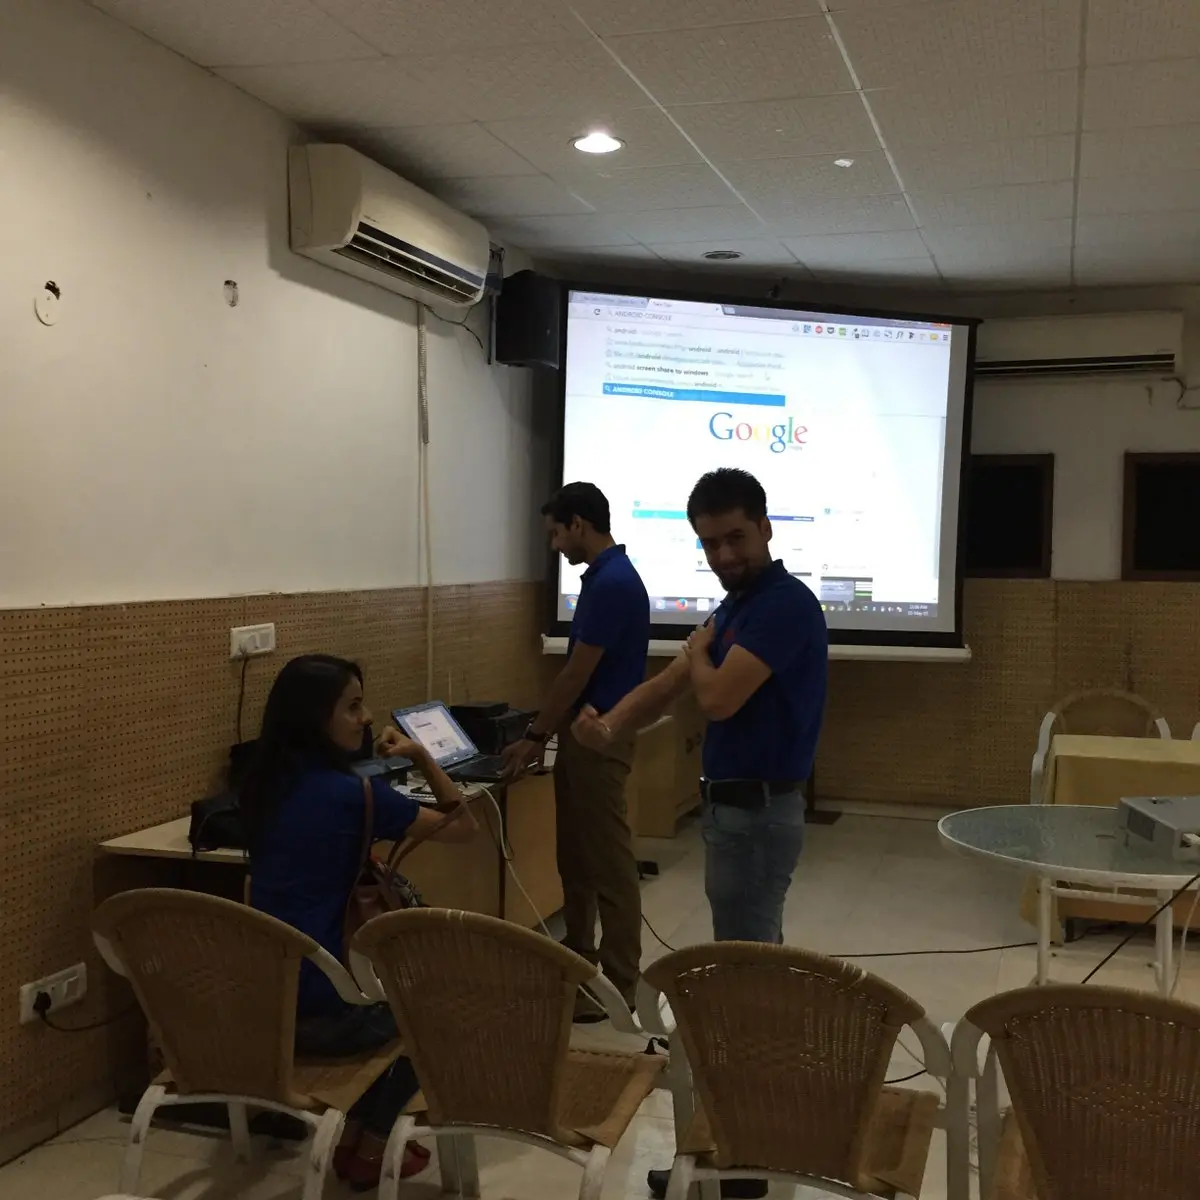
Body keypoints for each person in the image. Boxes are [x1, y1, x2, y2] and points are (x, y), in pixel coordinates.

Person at [573, 467, 827, 1200]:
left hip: (756, 817)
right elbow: (676, 681)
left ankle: (740, 1166)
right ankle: (742, 1148)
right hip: (737, 814)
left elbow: (713, 696)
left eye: (735, 538)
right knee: (747, 980)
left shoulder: (782, 605)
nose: (723, 555)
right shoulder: (740, 605)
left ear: (766, 528)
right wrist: (610, 725)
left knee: (741, 990)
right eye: (710, 543)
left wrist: (698, 655)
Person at [242, 654, 478, 1191]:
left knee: (384, 994)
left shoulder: (261, 787)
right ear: (314, 717)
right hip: (330, 1011)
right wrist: (421, 755)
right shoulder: (355, 795)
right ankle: (371, 1142)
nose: (367, 718)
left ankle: (353, 1129)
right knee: (441, 1005)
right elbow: (464, 828)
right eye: (352, 707)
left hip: (267, 1002)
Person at [501, 482, 650, 1021]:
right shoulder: (603, 577)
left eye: (556, 533)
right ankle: (581, 963)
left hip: (599, 737)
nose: (555, 545)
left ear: (578, 525)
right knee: (576, 857)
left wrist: (535, 734)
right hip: (581, 734)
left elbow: (576, 673)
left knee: (607, 864)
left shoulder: (612, 582)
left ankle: (620, 985)